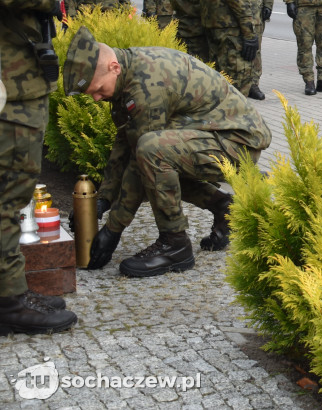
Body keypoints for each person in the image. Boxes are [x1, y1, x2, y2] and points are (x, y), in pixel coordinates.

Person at [63, 26, 271, 278]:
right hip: (214, 136)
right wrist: (103, 200)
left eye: (97, 89)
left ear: (114, 67)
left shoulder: (145, 85)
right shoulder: (127, 76)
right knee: (159, 164)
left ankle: (175, 244)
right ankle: (223, 207)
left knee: (153, 153)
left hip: (237, 143)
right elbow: (124, 144)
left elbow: (140, 159)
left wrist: (112, 230)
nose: (96, 98)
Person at [0, 0, 78, 335]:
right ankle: (9, 303)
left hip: (15, 65)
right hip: (9, 72)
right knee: (9, 188)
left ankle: (12, 291)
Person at [249, 0, 273, 100]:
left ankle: (253, 84)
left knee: (255, 48)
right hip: (231, 9)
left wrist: (268, 4)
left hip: (255, 8)